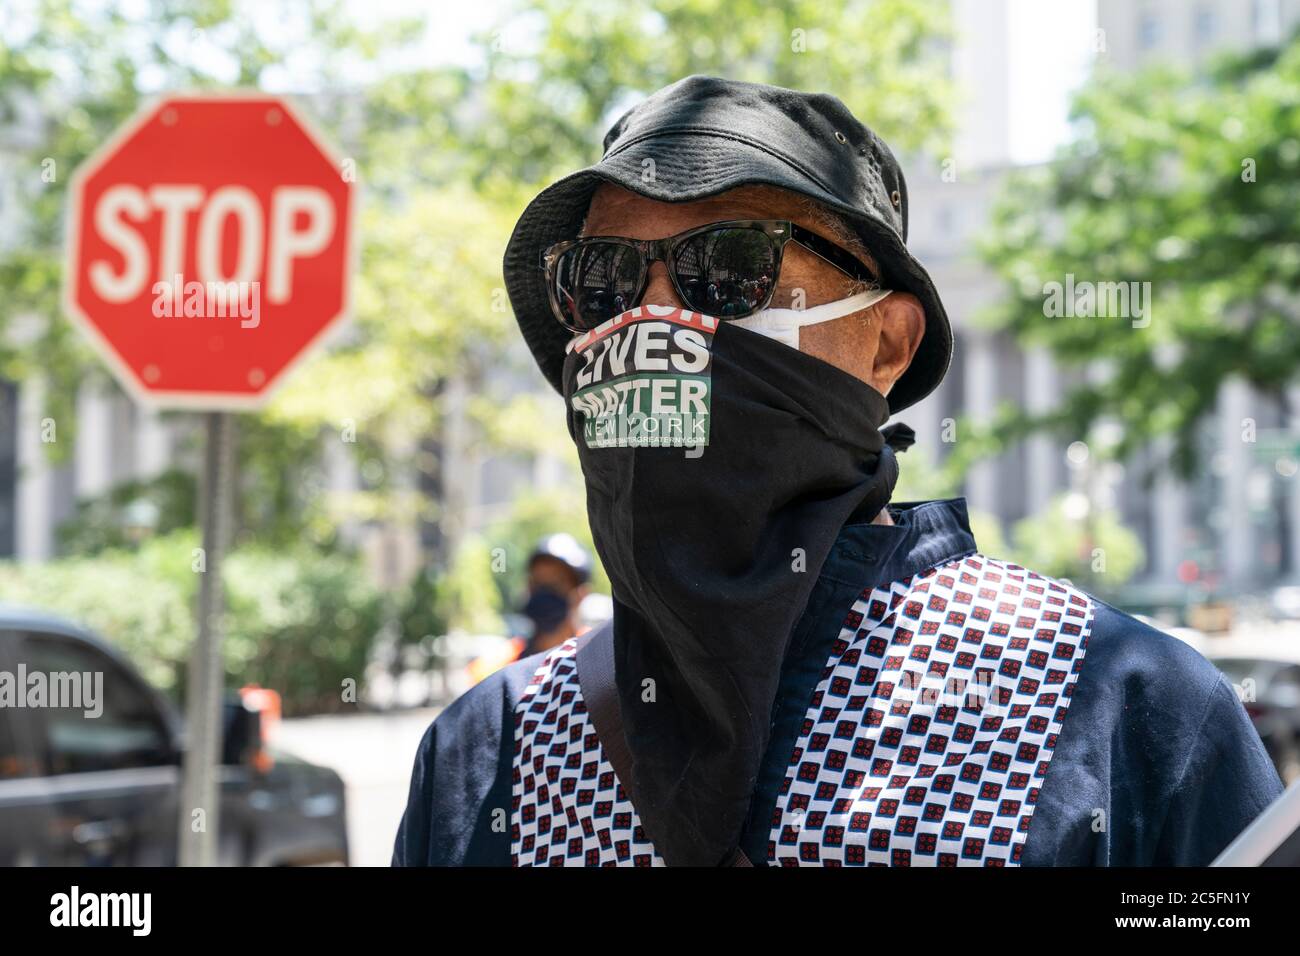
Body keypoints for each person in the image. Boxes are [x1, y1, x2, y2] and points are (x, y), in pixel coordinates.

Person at [395, 76, 1283, 867]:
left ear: (887, 342)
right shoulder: (491, 747)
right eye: (602, 280)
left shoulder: (1121, 705)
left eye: (728, 267)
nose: (652, 321)